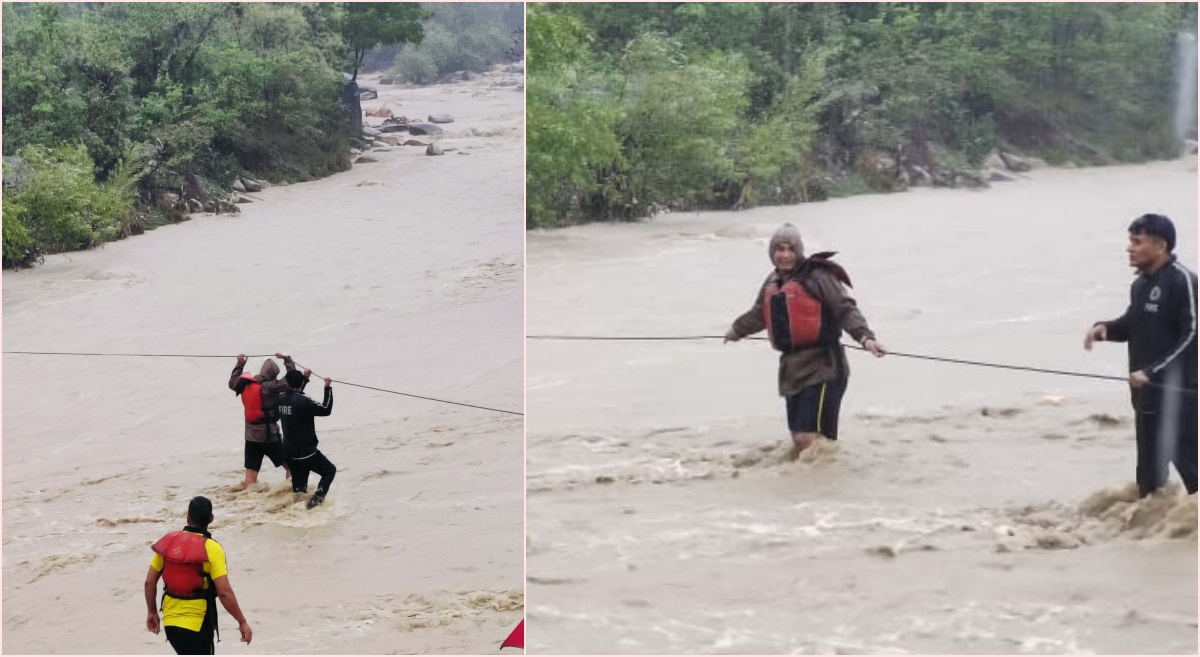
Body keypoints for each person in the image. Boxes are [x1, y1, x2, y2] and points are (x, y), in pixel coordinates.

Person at [725, 222, 887, 455]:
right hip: (792, 369)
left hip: (824, 366)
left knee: (810, 440)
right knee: (800, 442)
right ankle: (811, 488)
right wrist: (736, 330)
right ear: (772, 252)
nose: (785, 255)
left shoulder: (818, 275)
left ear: (799, 250)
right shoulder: (773, 281)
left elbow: (845, 309)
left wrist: (866, 339)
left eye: (790, 249)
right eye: (779, 249)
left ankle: (825, 487)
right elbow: (760, 313)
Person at [1085, 213, 1197, 497]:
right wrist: (1105, 329)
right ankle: (1149, 533)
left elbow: (1193, 335)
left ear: (1161, 247)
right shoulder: (1140, 284)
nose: (1129, 248)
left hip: (1178, 396)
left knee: (1194, 475)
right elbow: (1131, 325)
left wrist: (1151, 372)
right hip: (1145, 396)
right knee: (1148, 482)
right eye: (1130, 241)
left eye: (1137, 242)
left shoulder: (1183, 281)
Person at [145, 496, 252, 654]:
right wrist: (242, 621)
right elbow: (224, 592)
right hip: (198, 626)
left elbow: (149, 582)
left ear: (187, 516)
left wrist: (152, 611)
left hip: (171, 624)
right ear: (211, 518)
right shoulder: (212, 548)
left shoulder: (169, 543)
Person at [228, 352, 310, 490]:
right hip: (270, 437)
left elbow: (232, 382)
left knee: (251, 475)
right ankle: (294, 494)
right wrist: (287, 360)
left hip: (250, 436)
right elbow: (291, 380)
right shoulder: (271, 387)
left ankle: (247, 500)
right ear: (274, 376)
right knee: (291, 466)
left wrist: (240, 364)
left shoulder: (244, 384)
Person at [277, 370, 336, 509]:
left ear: (286, 383)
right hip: (307, 453)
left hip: (289, 453)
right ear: (302, 383)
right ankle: (316, 502)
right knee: (330, 471)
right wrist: (327, 388)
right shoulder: (305, 401)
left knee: (299, 491)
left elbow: (293, 396)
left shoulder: (279, 399)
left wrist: (305, 378)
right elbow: (326, 409)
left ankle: (297, 511)